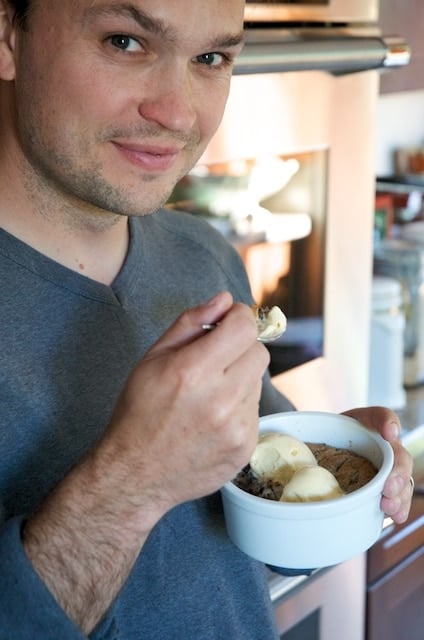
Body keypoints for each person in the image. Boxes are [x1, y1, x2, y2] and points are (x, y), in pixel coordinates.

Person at [0, 1, 413, 638]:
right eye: (125, 42)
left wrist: (323, 482)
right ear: (8, 35)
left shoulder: (204, 254)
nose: (178, 113)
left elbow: (242, 518)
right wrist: (131, 481)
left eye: (211, 58)